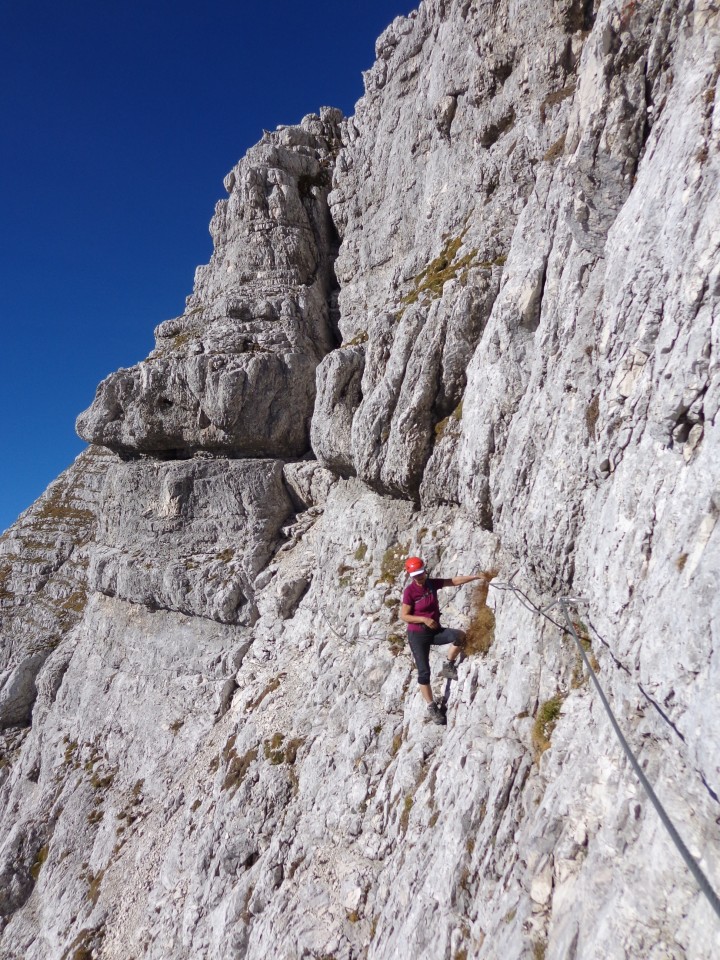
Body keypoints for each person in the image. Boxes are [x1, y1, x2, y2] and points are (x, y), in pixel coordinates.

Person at [400, 556, 488, 725]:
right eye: (416, 575)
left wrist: (475, 577)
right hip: (418, 635)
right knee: (424, 672)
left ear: (425, 571)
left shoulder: (431, 584)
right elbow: (404, 616)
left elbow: (452, 581)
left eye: (421, 574)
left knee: (459, 636)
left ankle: (448, 665)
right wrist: (424, 619)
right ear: (411, 576)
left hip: (434, 631)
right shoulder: (409, 592)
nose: (420, 577)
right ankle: (432, 706)